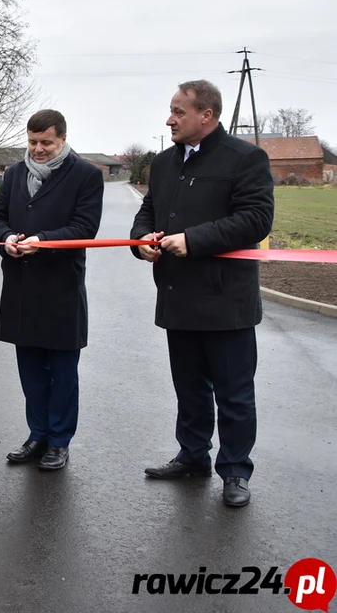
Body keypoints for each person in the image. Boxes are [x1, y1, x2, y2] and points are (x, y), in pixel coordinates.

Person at [131, 80, 274, 508]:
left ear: (206, 116)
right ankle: (193, 456)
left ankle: (234, 471)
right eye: (170, 110)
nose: (169, 119)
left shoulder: (246, 158)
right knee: (189, 388)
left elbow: (255, 220)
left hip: (226, 300)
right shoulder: (163, 162)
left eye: (178, 111)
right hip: (178, 294)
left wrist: (192, 239)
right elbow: (149, 210)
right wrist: (141, 240)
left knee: (234, 393)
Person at [0, 109, 104, 471]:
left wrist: (45, 240)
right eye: (33, 142)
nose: (38, 149)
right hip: (21, 287)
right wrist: (5, 238)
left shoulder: (87, 175)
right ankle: (37, 434)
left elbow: (85, 227)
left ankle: (59, 441)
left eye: (46, 143)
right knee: (31, 370)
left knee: (63, 371)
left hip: (61, 288)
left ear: (63, 139)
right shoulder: (16, 173)